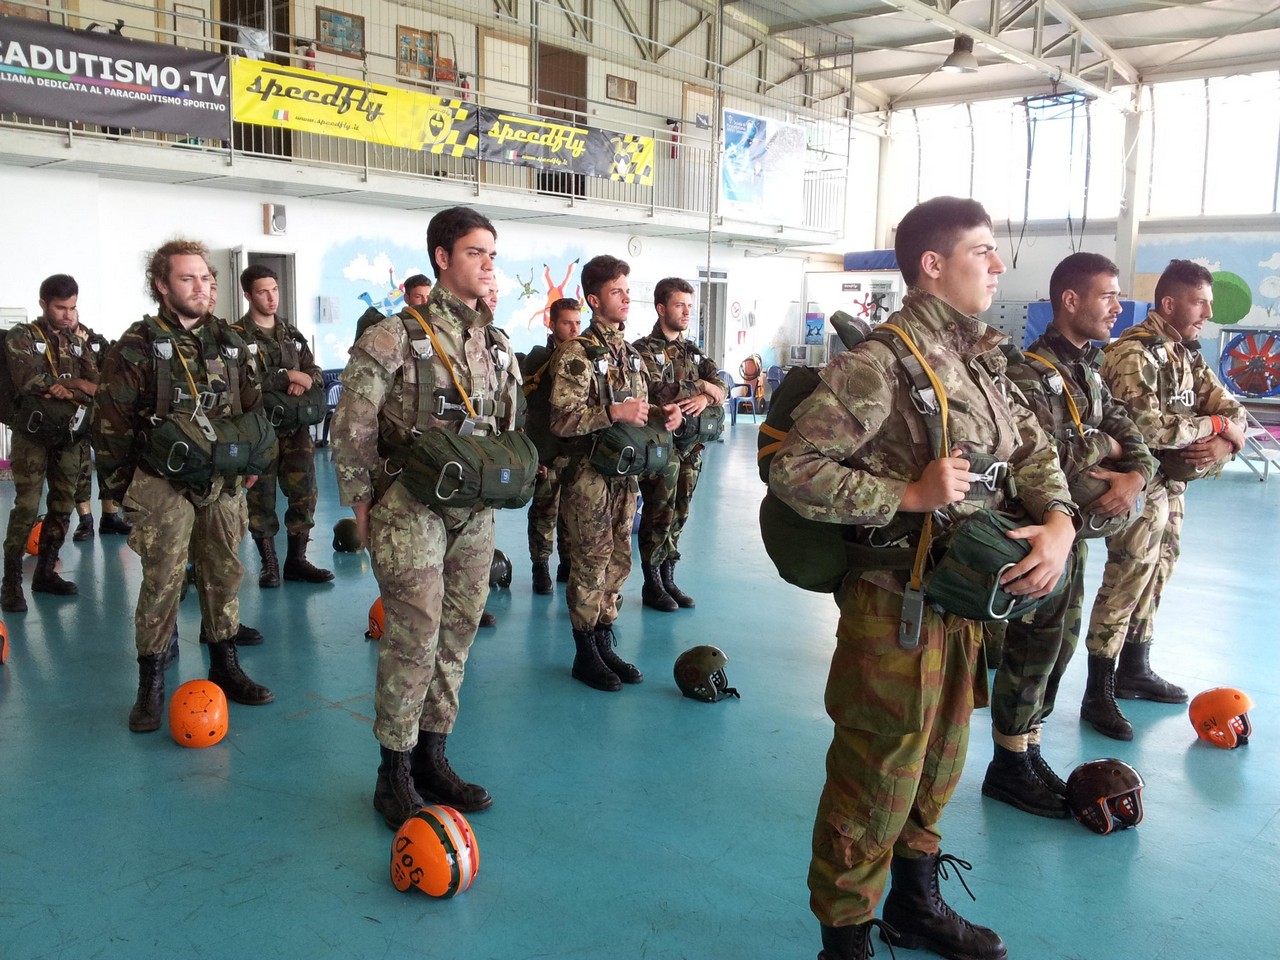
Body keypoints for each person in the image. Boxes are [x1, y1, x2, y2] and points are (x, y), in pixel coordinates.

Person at [770, 196, 1076, 960]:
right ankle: (845, 936)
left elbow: (1034, 452)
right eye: (982, 250)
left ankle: (914, 904)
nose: (997, 264)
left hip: (961, 601)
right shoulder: (877, 365)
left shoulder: (982, 360)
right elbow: (794, 469)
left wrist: (1060, 522)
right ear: (932, 265)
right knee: (875, 773)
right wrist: (904, 495)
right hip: (893, 607)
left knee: (939, 762)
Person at [330, 206, 523, 829]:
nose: (487, 264)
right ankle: (394, 773)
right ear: (442, 257)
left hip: (475, 511)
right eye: (474, 252)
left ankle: (433, 758)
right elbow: (352, 424)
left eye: (492, 254)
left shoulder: (496, 342)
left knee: (458, 634)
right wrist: (361, 503)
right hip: (409, 506)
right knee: (413, 637)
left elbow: (508, 423)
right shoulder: (393, 336)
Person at [983, 253, 1155, 816]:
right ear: (1071, 300)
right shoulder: (1028, 372)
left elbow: (1135, 437)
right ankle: (1008, 765)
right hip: (1036, 530)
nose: (1118, 307)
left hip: (1073, 535)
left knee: (1058, 646)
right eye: (1108, 295)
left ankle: (1029, 750)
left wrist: (1133, 476)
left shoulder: (1091, 370)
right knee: (1032, 646)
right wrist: (1105, 445)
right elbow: (1042, 458)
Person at [95, 239, 273, 733]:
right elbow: (110, 425)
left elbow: (253, 405)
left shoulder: (230, 341)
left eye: (206, 278)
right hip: (161, 480)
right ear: (162, 285)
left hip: (222, 478)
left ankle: (225, 664)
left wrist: (254, 460)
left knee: (224, 572)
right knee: (163, 580)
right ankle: (151, 681)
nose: (201, 287)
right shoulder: (136, 345)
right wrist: (123, 492)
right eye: (187, 278)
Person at [1081, 258, 1247, 739]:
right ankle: (1097, 690)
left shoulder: (1185, 353)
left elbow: (1232, 408)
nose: (1207, 314)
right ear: (1170, 303)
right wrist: (1214, 425)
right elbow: (1148, 429)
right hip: (1136, 481)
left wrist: (1223, 441)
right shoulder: (1134, 354)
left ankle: (1135, 668)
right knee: (1128, 576)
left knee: (1160, 569)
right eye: (1199, 303)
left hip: (1171, 485)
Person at [547, 254, 682, 692]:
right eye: (616, 291)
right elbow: (561, 419)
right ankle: (585, 651)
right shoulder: (576, 354)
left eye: (627, 290)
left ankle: (604, 640)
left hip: (624, 474)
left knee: (619, 558)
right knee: (590, 560)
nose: (626, 298)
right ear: (593, 299)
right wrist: (611, 412)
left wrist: (664, 413)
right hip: (588, 475)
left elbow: (638, 408)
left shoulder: (630, 355)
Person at [1, 274, 98, 613]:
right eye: (60, 308)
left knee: (63, 502)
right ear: (43, 304)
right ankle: (11, 581)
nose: (68, 315)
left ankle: (45, 571)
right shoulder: (22, 336)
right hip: (33, 434)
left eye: (72, 308)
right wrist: (73, 385)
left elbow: (95, 384)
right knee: (27, 506)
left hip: (69, 434)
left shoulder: (78, 340)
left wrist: (69, 386)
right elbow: (28, 380)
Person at [233, 264, 333, 587]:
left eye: (274, 290)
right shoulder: (236, 336)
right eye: (262, 292)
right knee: (261, 496)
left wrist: (305, 380)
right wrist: (286, 376)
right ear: (248, 295)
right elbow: (239, 382)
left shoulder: (290, 333)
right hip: (259, 430)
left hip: (295, 428)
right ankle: (269, 565)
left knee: (305, 492)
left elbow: (313, 371)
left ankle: (296, 561)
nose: (271, 297)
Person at [633, 277, 726, 611]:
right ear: (661, 308)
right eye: (679, 305)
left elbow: (721, 386)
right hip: (660, 449)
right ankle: (652, 583)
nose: (687, 312)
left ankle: (669, 577)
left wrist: (706, 395)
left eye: (690, 305)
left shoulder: (693, 353)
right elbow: (656, 390)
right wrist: (699, 386)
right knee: (658, 513)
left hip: (690, 448)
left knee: (680, 514)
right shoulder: (642, 350)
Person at [522, 297, 581, 594]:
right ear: (552, 323)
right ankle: (540, 565)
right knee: (544, 511)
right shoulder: (537, 359)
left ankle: (567, 564)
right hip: (545, 449)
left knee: (572, 514)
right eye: (567, 323)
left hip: (574, 451)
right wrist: (533, 455)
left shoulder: (584, 360)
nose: (574, 329)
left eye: (578, 322)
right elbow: (528, 409)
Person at [69, 315, 130, 542]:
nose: (69, 315)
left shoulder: (97, 341)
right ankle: (85, 521)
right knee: (80, 465)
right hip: (72, 412)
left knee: (109, 462)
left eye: (73, 310)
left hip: (102, 411)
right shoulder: (57, 342)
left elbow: (104, 378)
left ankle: (110, 517)